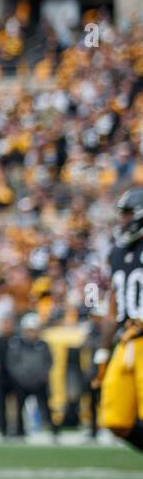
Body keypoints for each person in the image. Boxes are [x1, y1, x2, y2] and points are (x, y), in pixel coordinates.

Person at [93, 188, 143, 451]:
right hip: (126, 342)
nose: (122, 220)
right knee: (116, 420)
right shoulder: (116, 253)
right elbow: (112, 305)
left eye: (127, 214)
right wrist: (102, 352)